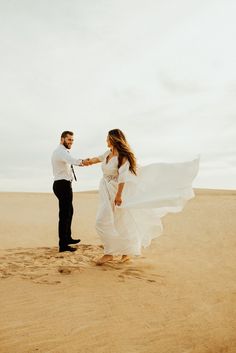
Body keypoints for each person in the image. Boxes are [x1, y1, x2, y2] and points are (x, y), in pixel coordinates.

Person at [86, 129, 199, 265]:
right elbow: (96, 159)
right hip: (105, 191)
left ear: (113, 139)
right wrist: (85, 162)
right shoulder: (108, 153)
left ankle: (123, 253)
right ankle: (110, 252)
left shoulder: (123, 157)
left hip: (117, 191)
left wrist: (119, 195)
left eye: (107, 138)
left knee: (121, 221)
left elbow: (122, 177)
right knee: (102, 221)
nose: (106, 141)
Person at [51, 131, 89, 252]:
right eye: (69, 140)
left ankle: (67, 238)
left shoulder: (62, 151)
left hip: (64, 184)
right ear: (62, 139)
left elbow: (70, 160)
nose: (71, 142)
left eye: (72, 140)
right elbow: (72, 160)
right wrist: (84, 161)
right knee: (64, 215)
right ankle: (63, 245)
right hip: (62, 185)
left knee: (69, 212)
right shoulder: (60, 152)